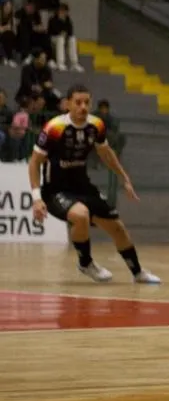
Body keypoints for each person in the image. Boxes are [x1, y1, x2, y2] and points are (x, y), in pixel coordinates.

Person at [28, 83, 160, 284]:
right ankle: (86, 263)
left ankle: (138, 272)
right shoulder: (54, 128)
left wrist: (124, 178)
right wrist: (37, 199)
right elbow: (34, 162)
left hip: (83, 187)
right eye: (78, 102)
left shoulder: (96, 125)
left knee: (117, 227)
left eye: (86, 102)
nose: (83, 107)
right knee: (80, 215)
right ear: (67, 104)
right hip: (56, 190)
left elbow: (105, 153)